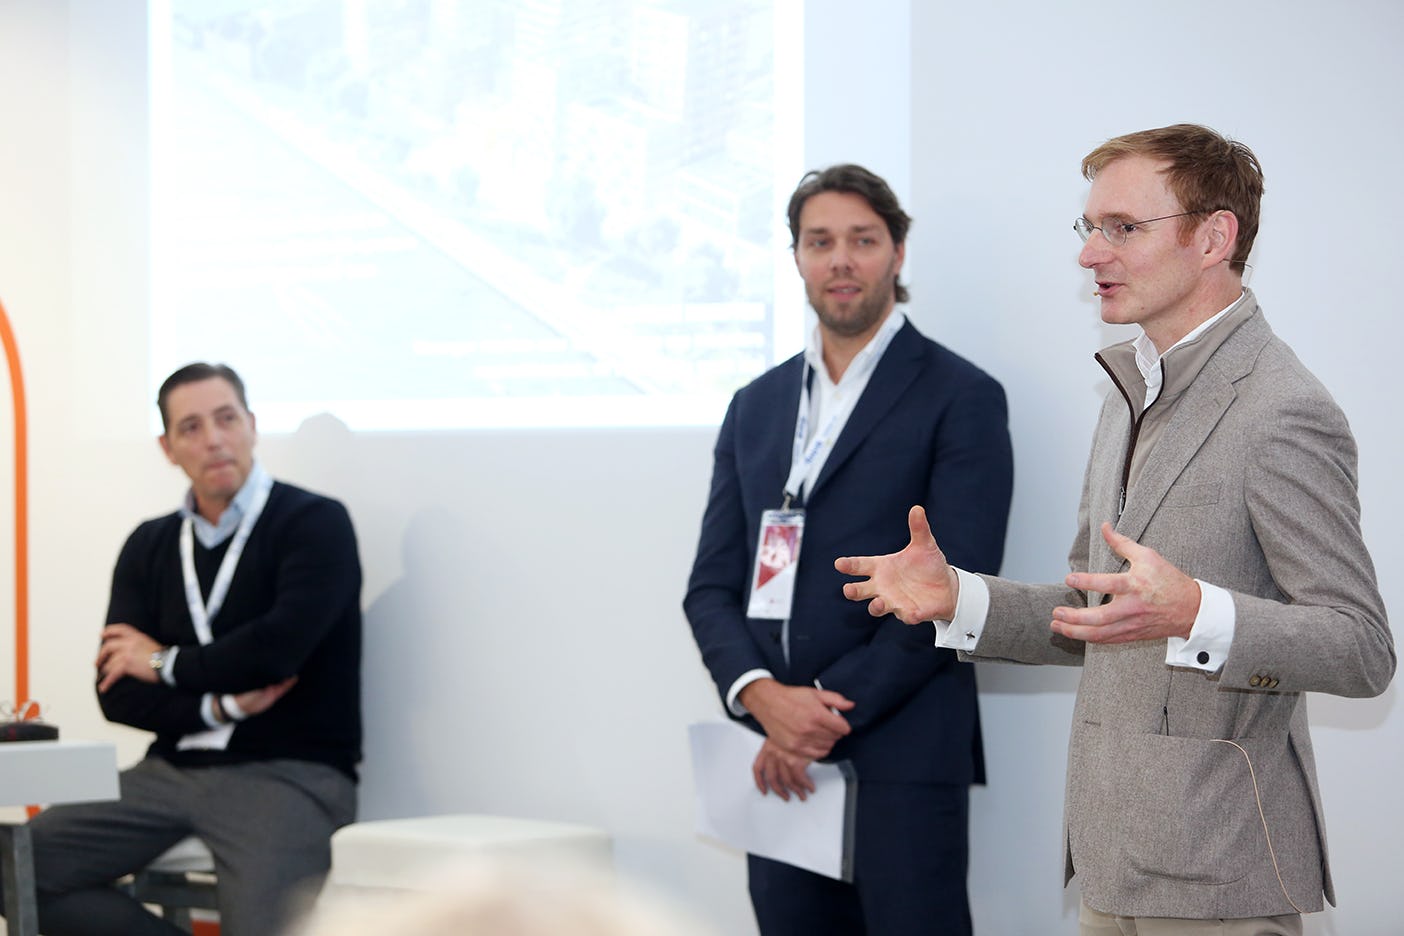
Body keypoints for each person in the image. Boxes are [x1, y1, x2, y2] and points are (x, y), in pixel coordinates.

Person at [836, 125, 1395, 935]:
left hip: (1220, 871)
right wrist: (957, 598)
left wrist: (1197, 612)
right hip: (1107, 862)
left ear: (1214, 238)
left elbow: (1361, 648)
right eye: (1090, 227)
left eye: (1123, 228)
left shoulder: (1283, 409)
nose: (1089, 254)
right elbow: (1090, 613)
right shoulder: (1126, 392)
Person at [684, 164, 1013, 936]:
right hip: (774, 759)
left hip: (901, 756)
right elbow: (711, 586)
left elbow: (955, 589)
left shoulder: (961, 396)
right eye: (819, 241)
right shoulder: (756, 405)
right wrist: (763, 698)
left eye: (862, 240)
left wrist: (818, 713)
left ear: (897, 252)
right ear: (796, 256)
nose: (840, 260)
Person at [7, 362, 363, 936]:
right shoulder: (149, 544)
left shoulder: (314, 524)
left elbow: (275, 652)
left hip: (287, 774)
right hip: (169, 772)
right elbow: (118, 693)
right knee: (19, 869)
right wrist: (220, 706)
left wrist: (162, 662)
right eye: (191, 427)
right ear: (168, 448)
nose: (213, 439)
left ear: (251, 425)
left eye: (226, 419)